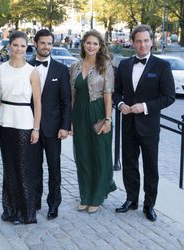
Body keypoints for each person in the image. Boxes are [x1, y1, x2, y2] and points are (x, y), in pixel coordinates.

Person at [114, 24, 175, 221]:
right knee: (129, 164)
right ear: (132, 43)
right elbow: (116, 93)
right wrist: (121, 103)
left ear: (152, 41)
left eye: (146, 40)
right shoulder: (124, 65)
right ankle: (131, 200)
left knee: (151, 167)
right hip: (129, 124)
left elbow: (169, 97)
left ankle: (149, 205)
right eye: (138, 41)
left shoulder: (162, 66)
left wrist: (145, 106)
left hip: (149, 127)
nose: (142, 45)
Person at [0, 31, 41, 224]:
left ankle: (26, 213)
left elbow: (37, 102)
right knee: (8, 168)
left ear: (27, 47)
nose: (19, 49)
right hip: (5, 121)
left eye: (23, 46)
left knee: (23, 168)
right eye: (15, 45)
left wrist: (36, 128)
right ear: (9, 46)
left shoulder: (32, 71)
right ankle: (10, 210)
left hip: (24, 122)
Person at [70, 30, 116, 214]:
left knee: (100, 155)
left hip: (98, 113)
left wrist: (108, 119)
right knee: (83, 156)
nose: (91, 46)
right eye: (88, 43)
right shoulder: (74, 66)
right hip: (79, 114)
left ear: (100, 46)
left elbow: (107, 96)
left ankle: (97, 196)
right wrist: (70, 120)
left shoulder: (105, 66)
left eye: (95, 43)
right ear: (83, 44)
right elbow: (72, 95)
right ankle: (85, 195)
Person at [29, 29, 71, 220]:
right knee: (34, 168)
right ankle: (34, 201)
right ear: (36, 43)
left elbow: (66, 102)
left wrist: (65, 126)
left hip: (54, 129)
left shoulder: (61, 70)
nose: (46, 47)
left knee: (55, 168)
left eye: (49, 43)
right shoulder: (26, 67)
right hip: (30, 128)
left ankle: (53, 204)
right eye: (43, 43)